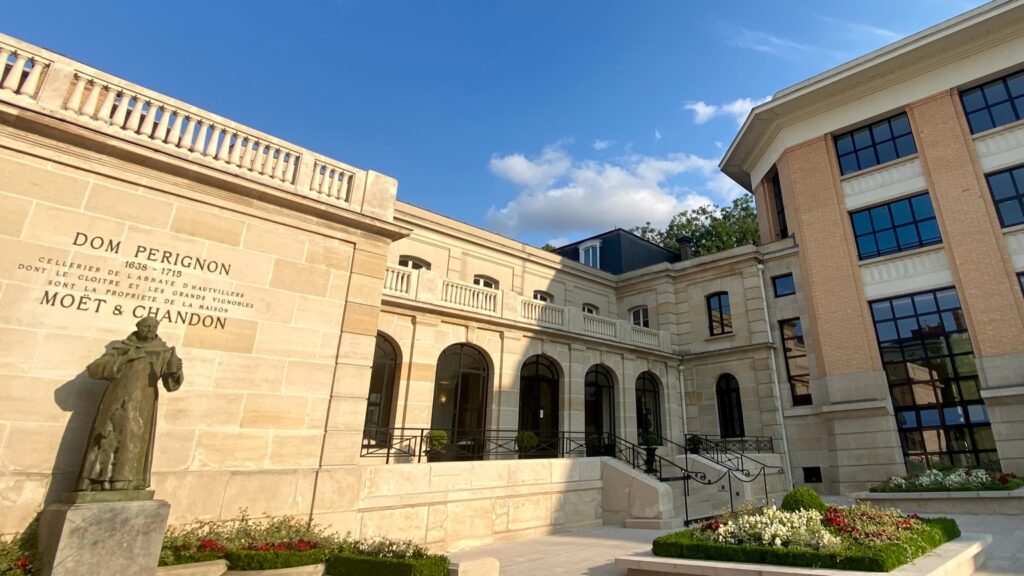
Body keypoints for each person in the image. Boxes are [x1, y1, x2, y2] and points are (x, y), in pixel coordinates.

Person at [76, 317, 183, 491]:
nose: (150, 330)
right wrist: (124, 359)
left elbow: (171, 384)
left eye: (153, 327)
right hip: (115, 397)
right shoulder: (123, 348)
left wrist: (175, 371)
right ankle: (92, 479)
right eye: (146, 326)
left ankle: (124, 481)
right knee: (105, 436)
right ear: (138, 327)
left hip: (142, 403)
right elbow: (94, 369)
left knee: (132, 440)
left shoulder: (162, 351)